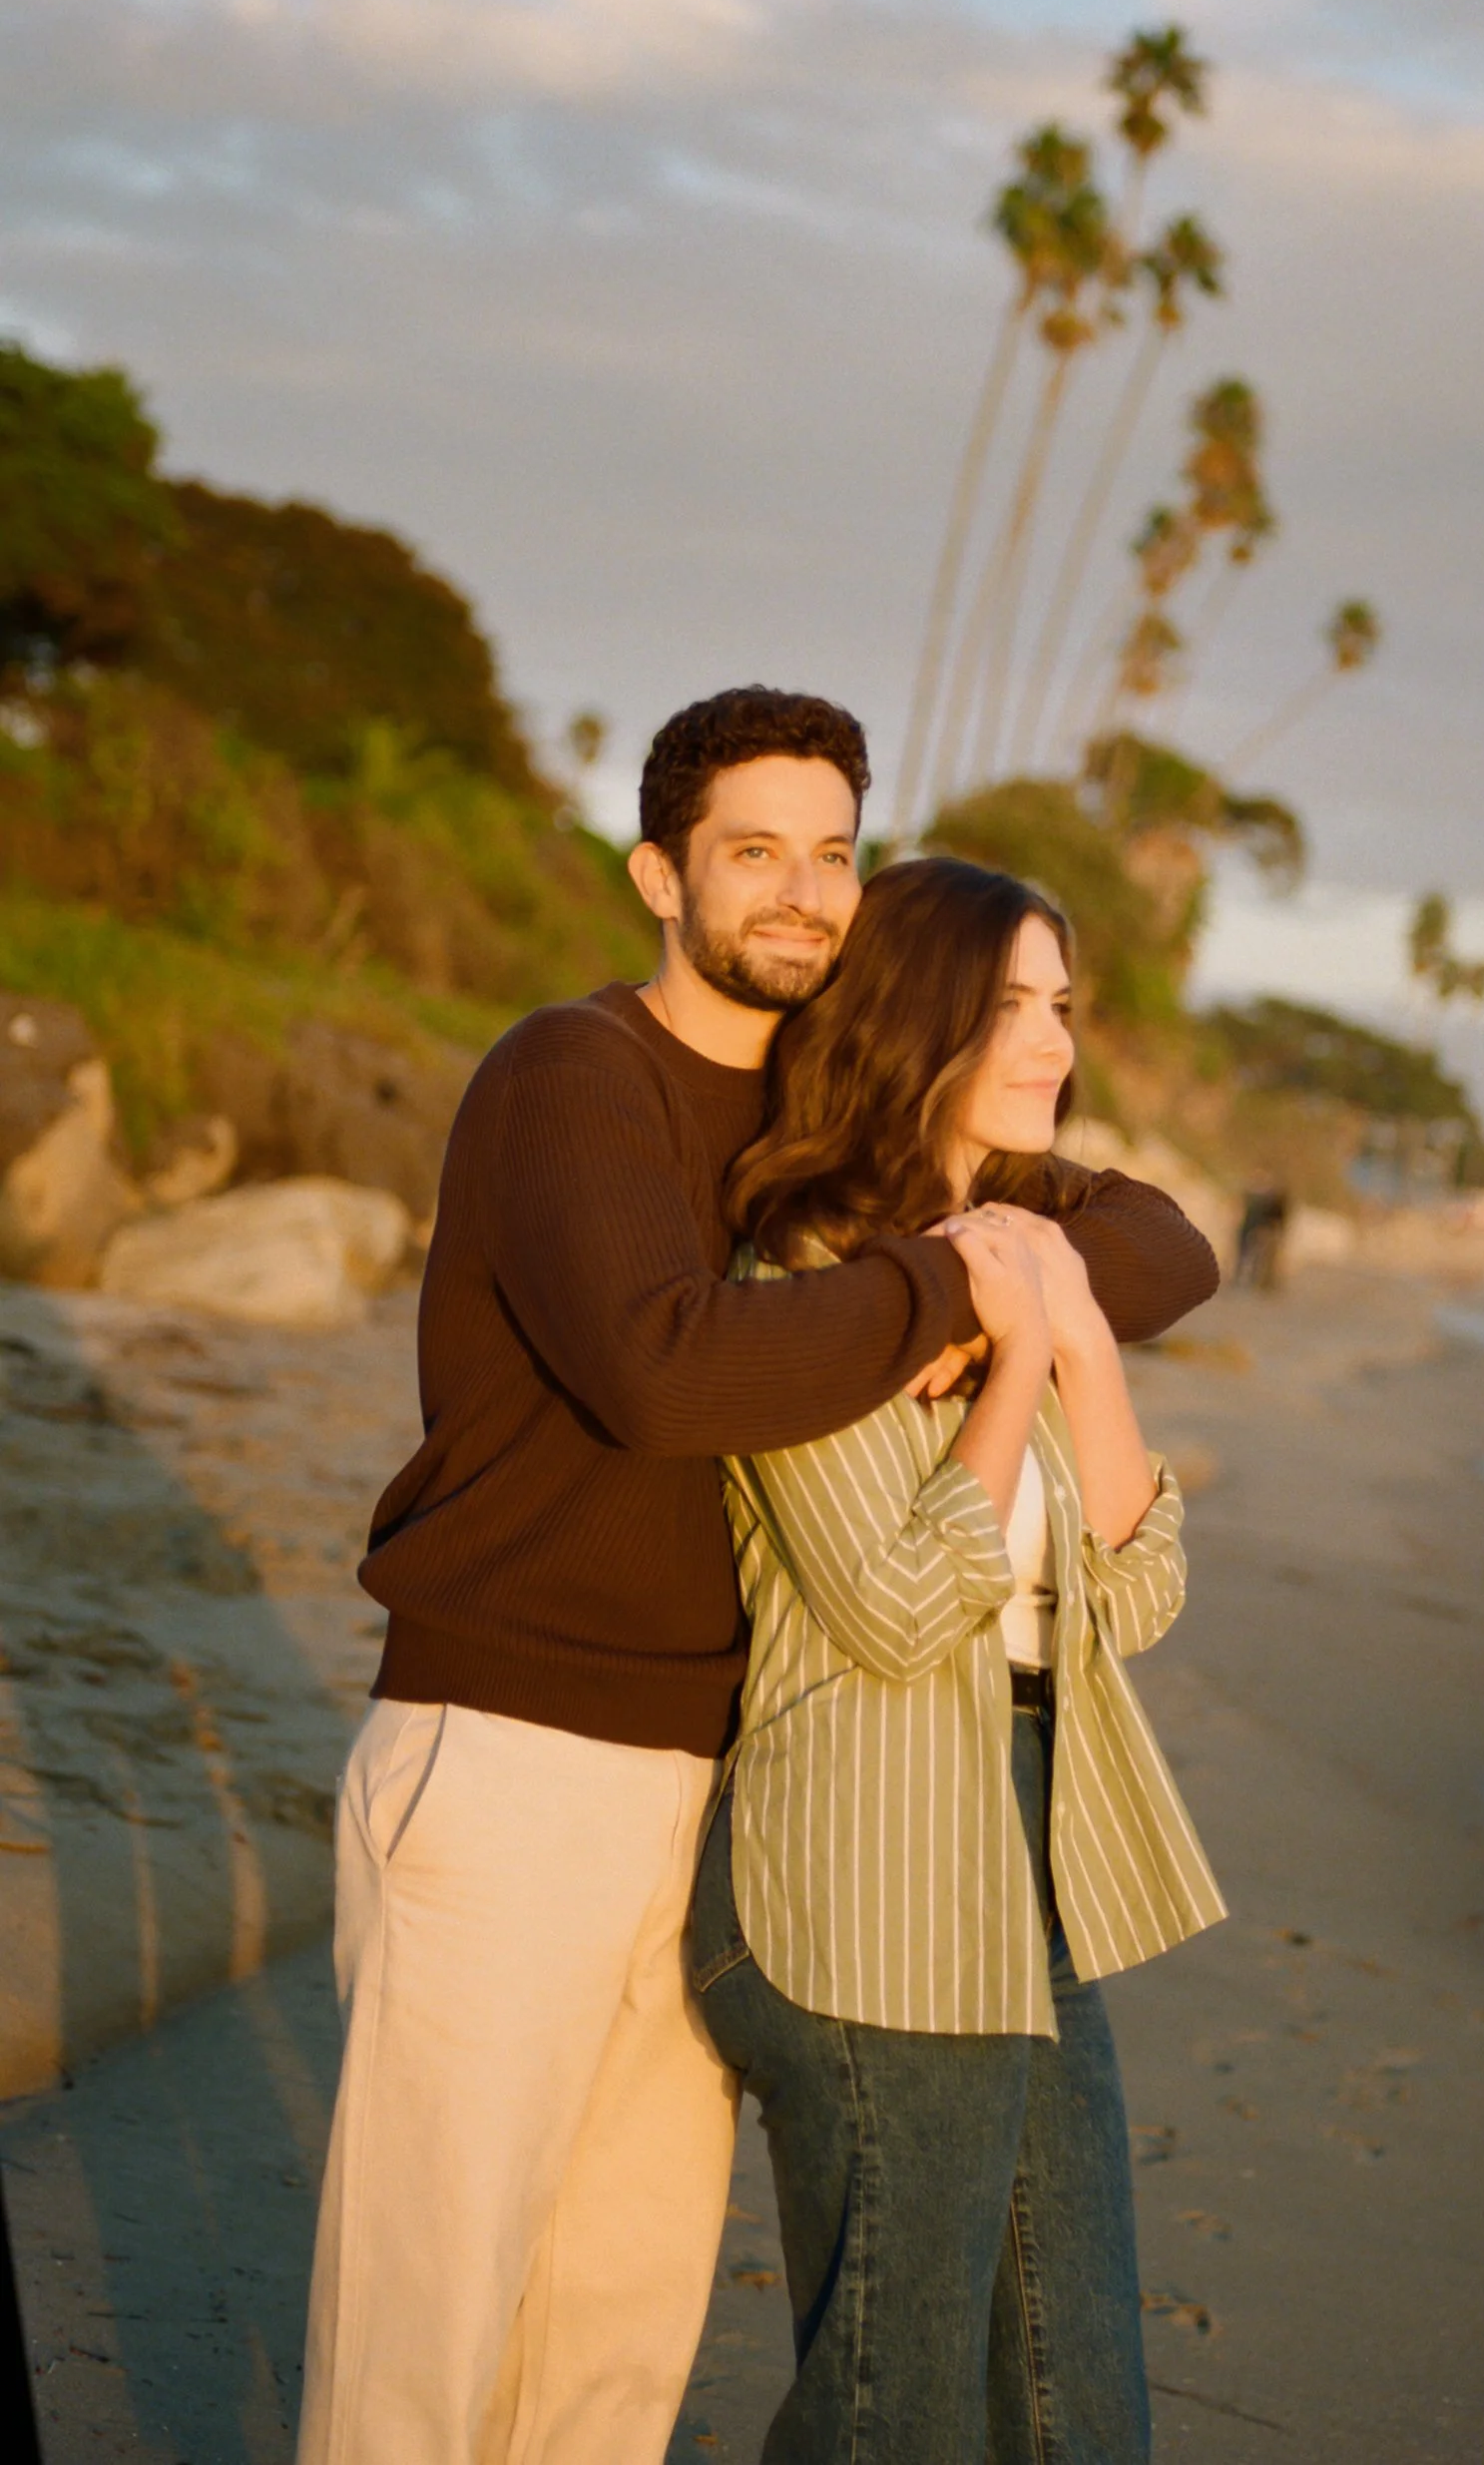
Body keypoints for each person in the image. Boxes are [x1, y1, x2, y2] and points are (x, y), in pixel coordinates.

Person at [295, 690, 1219, 2465]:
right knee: (431, 2317)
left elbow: (1159, 1242)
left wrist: (1018, 1268)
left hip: (734, 1786)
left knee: (615, 2336)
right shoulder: (574, 1072)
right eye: (751, 855)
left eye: (830, 854)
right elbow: (667, 1376)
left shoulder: (833, 1113)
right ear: (659, 874)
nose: (800, 893)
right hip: (519, 1751)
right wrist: (960, 1292)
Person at [689, 854, 1227, 2463]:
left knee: (1075, 2390)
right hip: (862, 1860)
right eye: (1010, 1005)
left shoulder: (1010, 1250)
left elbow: (1136, 1595)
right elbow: (902, 1610)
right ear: (920, 1020)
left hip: (1026, 1844)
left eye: (1064, 1004)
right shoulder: (800, 1285)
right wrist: (1005, 1371)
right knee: (895, 2400)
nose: (1053, 1039)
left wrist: (1071, 1337)